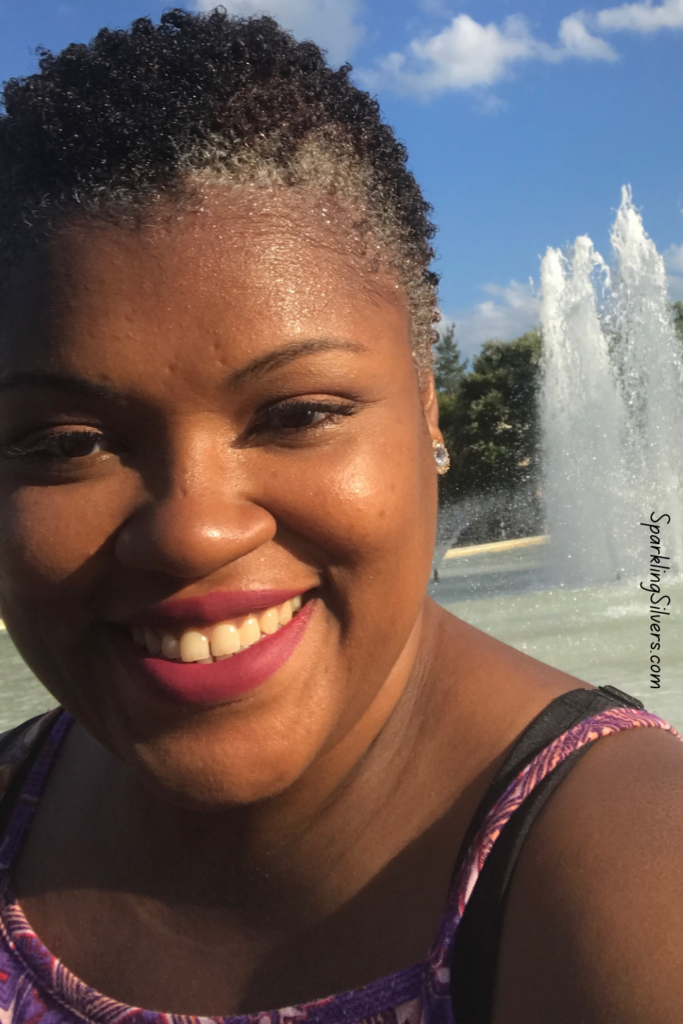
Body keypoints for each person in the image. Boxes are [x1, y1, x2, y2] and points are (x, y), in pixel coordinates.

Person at [0, 10, 681, 1023]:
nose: (192, 530)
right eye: (68, 442)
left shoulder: (626, 879)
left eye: (296, 414)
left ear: (424, 417)